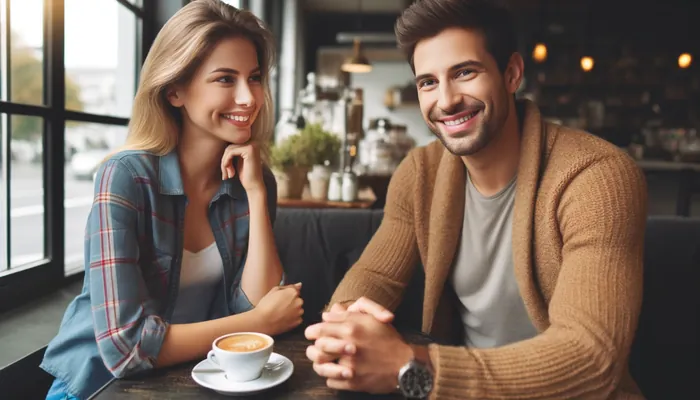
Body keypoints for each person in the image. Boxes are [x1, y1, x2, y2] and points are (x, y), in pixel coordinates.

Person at [304, 0, 647, 398]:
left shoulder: (599, 178)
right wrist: (341, 332)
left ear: (512, 73)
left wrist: (412, 367)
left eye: (465, 72)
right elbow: (375, 277)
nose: (446, 100)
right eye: (428, 82)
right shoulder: (419, 172)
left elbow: (592, 359)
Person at [40, 1, 303, 399]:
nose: (249, 97)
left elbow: (256, 304)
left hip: (190, 379)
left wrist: (256, 193)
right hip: (98, 386)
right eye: (225, 79)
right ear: (175, 90)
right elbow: (125, 349)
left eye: (254, 77)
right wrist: (261, 322)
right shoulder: (125, 178)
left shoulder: (253, 180)